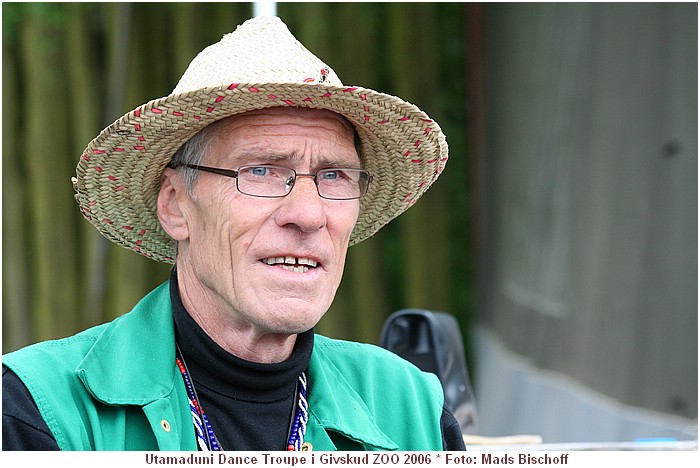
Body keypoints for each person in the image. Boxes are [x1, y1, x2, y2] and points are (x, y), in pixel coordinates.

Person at [2, 16, 462, 451]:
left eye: (335, 175)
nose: (308, 214)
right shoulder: (40, 410)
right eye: (261, 170)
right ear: (175, 205)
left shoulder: (413, 410)